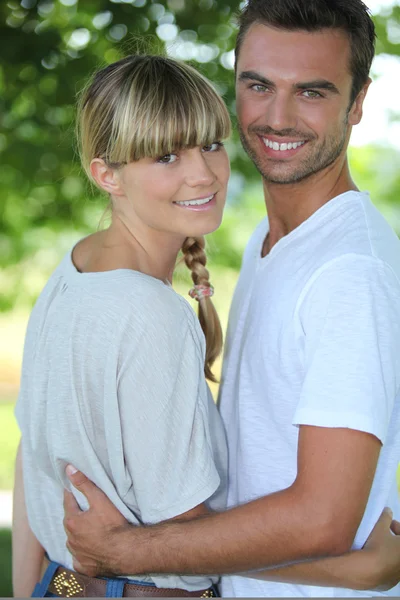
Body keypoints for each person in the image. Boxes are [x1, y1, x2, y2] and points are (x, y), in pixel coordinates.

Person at [62, 0, 400, 597]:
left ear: (359, 101)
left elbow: (323, 519)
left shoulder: (350, 272)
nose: (277, 117)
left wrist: (122, 550)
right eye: (258, 85)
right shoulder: (266, 242)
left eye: (313, 92)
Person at [12, 53, 232, 597]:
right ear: (106, 174)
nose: (203, 172)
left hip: (58, 586)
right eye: (165, 155)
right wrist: (341, 556)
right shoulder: (150, 312)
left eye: (210, 144)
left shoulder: (74, 270)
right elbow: (185, 531)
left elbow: (33, 455)